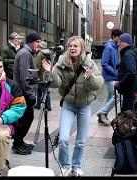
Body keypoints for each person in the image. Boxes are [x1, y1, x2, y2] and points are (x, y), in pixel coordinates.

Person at [42, 36, 104, 176]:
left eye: (75, 46)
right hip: (68, 104)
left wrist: (90, 78)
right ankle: (65, 166)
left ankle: (76, 166)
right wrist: (49, 71)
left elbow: (98, 85)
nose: (72, 48)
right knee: (63, 138)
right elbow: (55, 84)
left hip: (84, 105)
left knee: (80, 140)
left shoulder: (89, 63)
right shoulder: (61, 62)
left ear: (82, 48)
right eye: (70, 46)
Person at [12, 33, 41, 155]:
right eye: (37, 42)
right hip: (23, 93)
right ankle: (17, 144)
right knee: (25, 118)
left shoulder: (27, 53)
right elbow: (24, 76)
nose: (39, 44)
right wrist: (30, 93)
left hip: (24, 92)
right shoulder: (25, 54)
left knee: (26, 118)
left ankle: (19, 141)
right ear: (31, 42)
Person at [97, 29, 123, 125]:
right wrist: (115, 74)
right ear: (115, 37)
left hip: (112, 76)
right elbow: (104, 63)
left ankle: (102, 115)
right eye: (119, 38)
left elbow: (114, 62)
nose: (120, 40)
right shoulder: (109, 47)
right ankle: (102, 113)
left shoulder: (114, 47)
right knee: (116, 96)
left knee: (109, 97)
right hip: (110, 77)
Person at [115, 33, 137, 111]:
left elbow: (131, 72)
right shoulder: (131, 52)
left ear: (126, 42)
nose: (118, 44)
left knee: (127, 114)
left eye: (120, 42)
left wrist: (120, 83)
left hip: (130, 90)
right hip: (131, 89)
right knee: (128, 112)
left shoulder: (128, 54)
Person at [35, 40, 51, 111]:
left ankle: (48, 106)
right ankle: (38, 104)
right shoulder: (49, 53)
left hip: (41, 76)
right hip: (47, 75)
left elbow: (37, 65)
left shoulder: (40, 54)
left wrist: (36, 74)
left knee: (45, 91)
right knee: (39, 90)